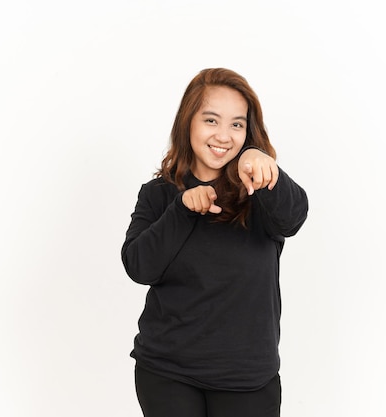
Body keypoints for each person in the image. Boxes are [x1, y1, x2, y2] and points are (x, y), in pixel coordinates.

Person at [121, 68, 308, 417]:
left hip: (247, 379)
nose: (224, 135)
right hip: (166, 373)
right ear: (187, 123)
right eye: (211, 120)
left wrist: (269, 173)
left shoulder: (260, 188)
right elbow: (139, 266)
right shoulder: (158, 195)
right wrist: (182, 209)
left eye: (237, 124)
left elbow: (293, 218)